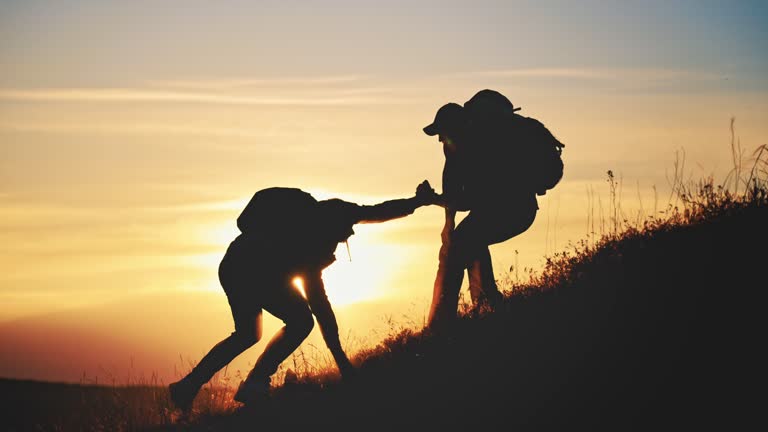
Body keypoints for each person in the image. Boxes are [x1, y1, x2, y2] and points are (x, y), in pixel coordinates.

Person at [169, 181, 438, 410]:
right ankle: (255, 383)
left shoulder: (331, 214)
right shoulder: (310, 245)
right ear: (330, 228)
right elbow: (320, 307)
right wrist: (342, 361)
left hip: (233, 264)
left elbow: (377, 212)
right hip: (251, 269)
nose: (352, 232)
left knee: (247, 334)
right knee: (300, 322)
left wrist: (416, 202)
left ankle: (189, 385)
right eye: (346, 231)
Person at [423, 90, 545, 331]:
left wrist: (432, 200)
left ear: (456, 127)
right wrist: (448, 223)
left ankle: (442, 324)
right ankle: (486, 306)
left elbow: (465, 199)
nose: (439, 139)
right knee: (465, 240)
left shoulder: (479, 147)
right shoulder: (456, 150)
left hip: (515, 210)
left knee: (461, 244)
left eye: (441, 132)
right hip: (502, 210)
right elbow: (453, 190)